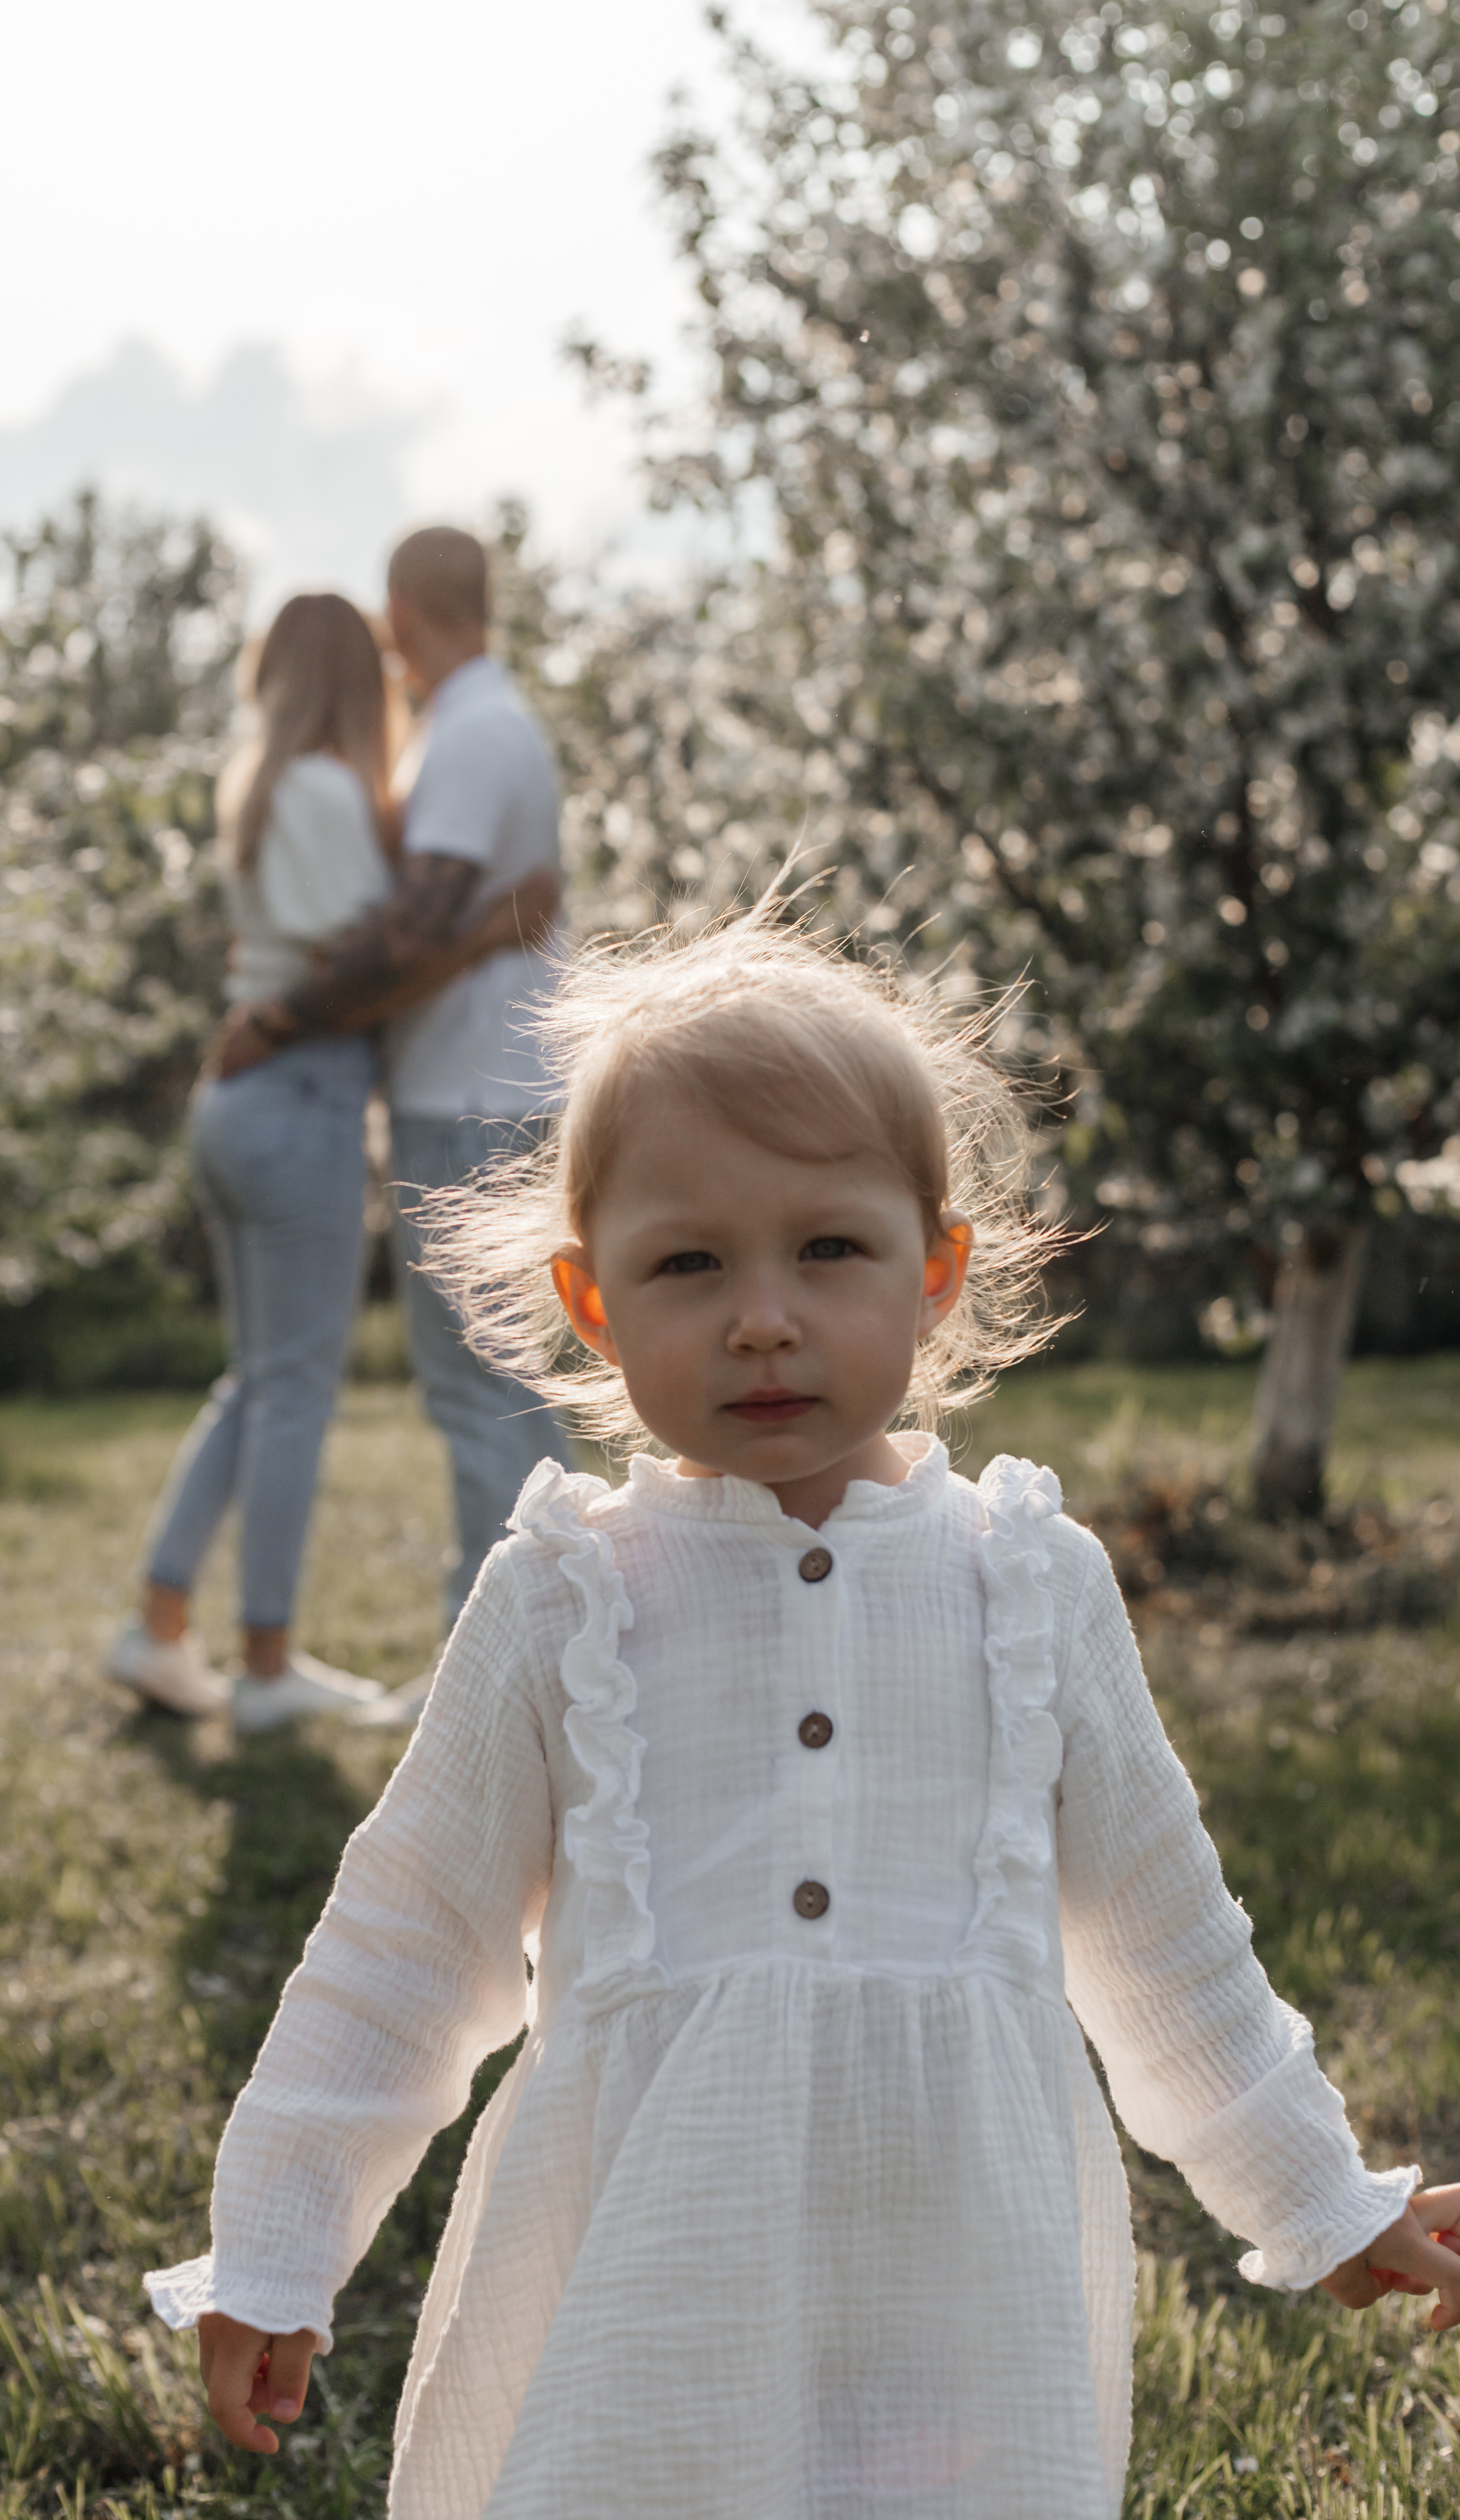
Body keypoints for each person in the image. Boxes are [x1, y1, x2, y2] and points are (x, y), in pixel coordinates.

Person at [144, 908, 1459, 2516]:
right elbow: (403, 1944)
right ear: (594, 1304)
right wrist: (277, 2247)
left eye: (825, 1250)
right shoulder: (570, 1598)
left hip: (954, 2289)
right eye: (688, 1263)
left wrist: (1322, 2201)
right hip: (648, 2281)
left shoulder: (1024, 1589)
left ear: (934, 1272)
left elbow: (1168, 1944)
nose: (760, 1315)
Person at [108, 591, 555, 1731]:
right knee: (297, 1389)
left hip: (244, 1105)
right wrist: (502, 918)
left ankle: (159, 1626)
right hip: (298, 1102)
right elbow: (385, 954)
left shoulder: (265, 781)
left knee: (257, 1380)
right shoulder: (321, 791)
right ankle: (264, 1667)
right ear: (353, 681)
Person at [211, 524, 571, 1636]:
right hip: (469, 1091)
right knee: (487, 1388)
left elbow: (411, 936)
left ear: (405, 610)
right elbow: (444, 925)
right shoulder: (477, 726)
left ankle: (527, 1646)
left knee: (481, 1394)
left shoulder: (467, 737)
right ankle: (520, 1639)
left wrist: (274, 1019)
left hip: (467, 1100)